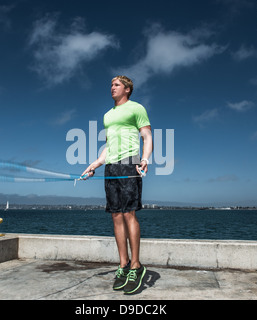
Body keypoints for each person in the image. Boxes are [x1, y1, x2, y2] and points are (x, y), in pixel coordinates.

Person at [81, 75, 153, 294]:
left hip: (130, 164)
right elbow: (108, 146)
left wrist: (145, 158)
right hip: (110, 167)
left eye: (116, 84)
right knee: (116, 215)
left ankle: (136, 265)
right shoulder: (107, 115)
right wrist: (94, 164)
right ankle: (123, 264)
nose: (111, 87)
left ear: (127, 89)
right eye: (111, 84)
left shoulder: (136, 108)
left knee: (129, 213)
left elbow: (147, 136)